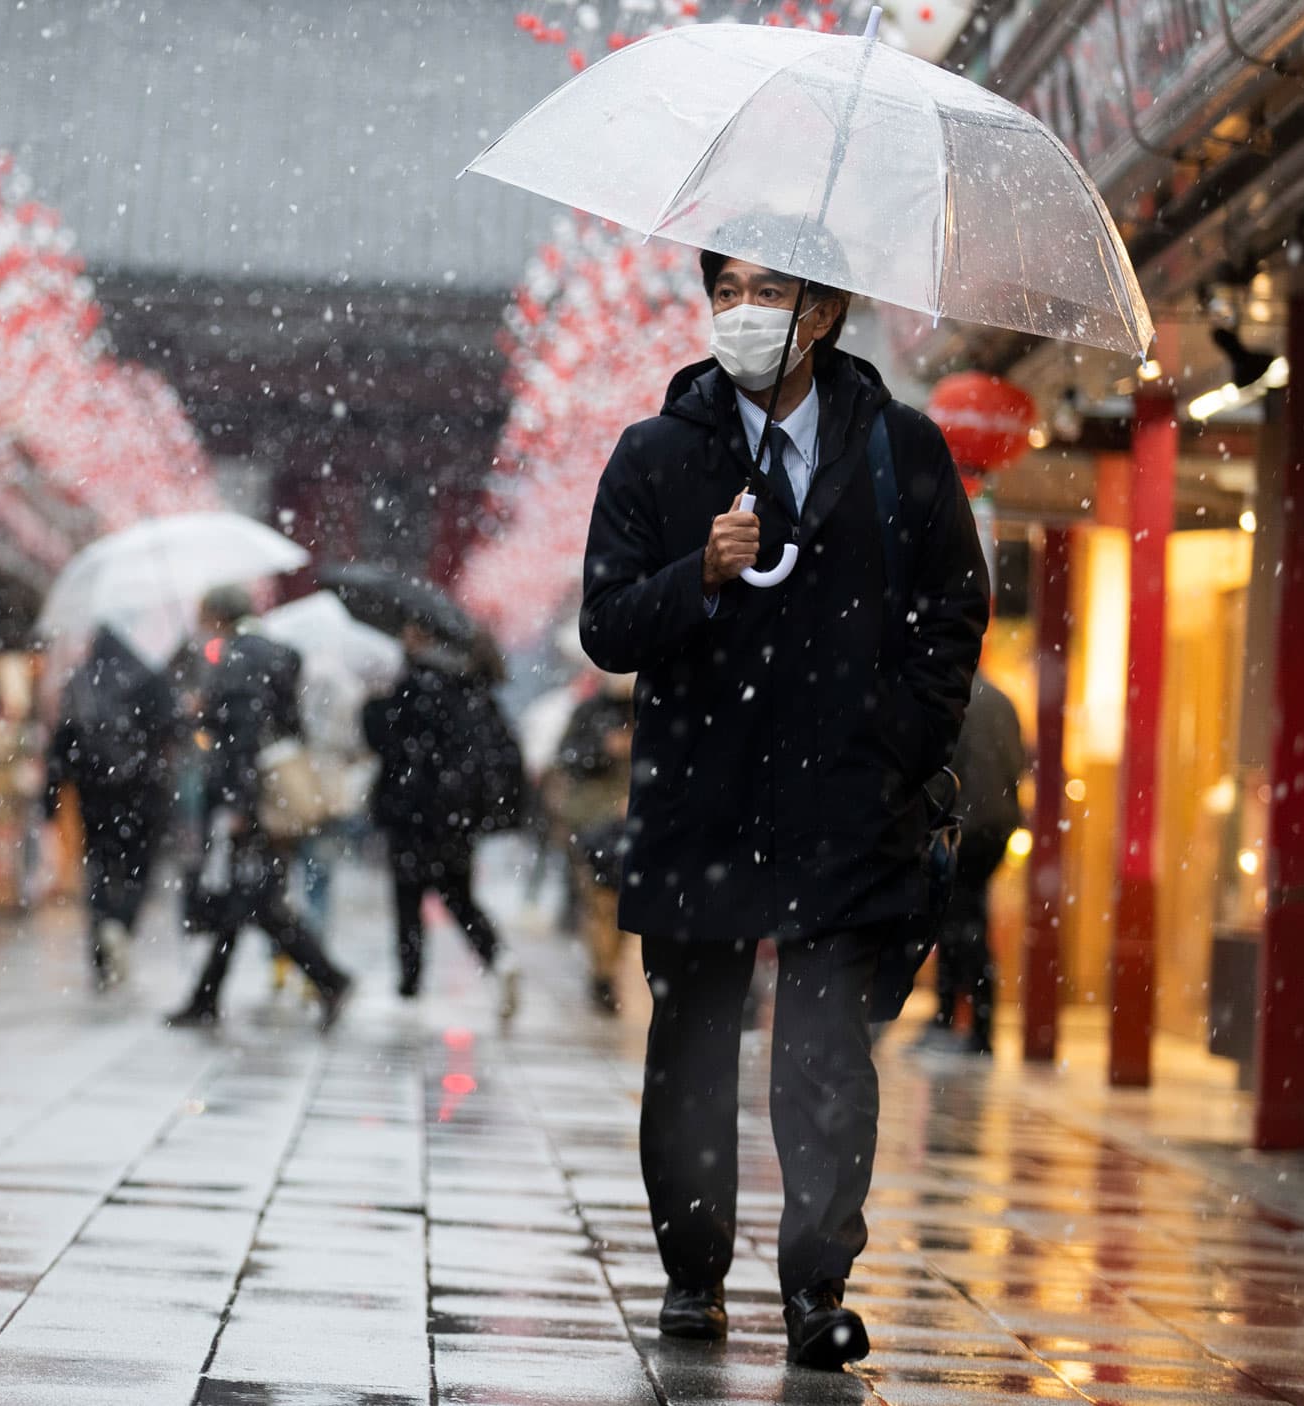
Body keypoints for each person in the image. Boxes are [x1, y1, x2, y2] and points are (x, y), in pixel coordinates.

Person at [579, 235, 987, 1370]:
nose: (742, 311)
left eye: (766, 290)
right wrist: (695, 574)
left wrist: (895, 737)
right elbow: (605, 624)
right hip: (698, 797)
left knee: (822, 1057)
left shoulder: (902, 453)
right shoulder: (659, 454)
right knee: (693, 1050)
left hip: (846, 809)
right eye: (725, 291)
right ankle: (691, 1271)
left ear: (824, 309)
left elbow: (954, 611)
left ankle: (815, 1284)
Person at [165, 587, 354, 1031]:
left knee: (254, 899)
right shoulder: (276, 656)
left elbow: (242, 734)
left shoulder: (238, 660)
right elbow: (279, 721)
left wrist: (237, 802)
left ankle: (330, 978)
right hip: (274, 797)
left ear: (218, 616)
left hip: (251, 801)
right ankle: (208, 997)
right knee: (251, 896)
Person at [362, 624, 522, 1016]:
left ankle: (410, 985)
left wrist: (373, 703)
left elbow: (383, 740)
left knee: (408, 897)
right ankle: (498, 957)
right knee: (458, 897)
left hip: (411, 809)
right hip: (455, 814)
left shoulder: (411, 684)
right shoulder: (470, 686)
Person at [43, 626, 177, 990]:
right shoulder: (151, 676)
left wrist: (51, 798)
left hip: (95, 793)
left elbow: (61, 743)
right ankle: (122, 922)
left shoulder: (82, 681)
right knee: (138, 867)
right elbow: (172, 729)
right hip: (145, 792)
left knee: (100, 865)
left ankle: (101, 952)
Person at [927, 676, 1026, 1054]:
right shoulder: (1002, 701)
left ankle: (959, 1021)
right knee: (969, 919)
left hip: (964, 824)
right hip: (996, 828)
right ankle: (968, 1020)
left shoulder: (955, 698)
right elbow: (1017, 764)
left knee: (956, 920)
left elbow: (946, 767)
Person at [551, 674, 635, 1015]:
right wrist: (603, 750)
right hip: (594, 824)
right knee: (600, 902)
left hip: (638, 822)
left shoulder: (653, 707)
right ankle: (603, 973)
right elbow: (569, 756)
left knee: (625, 905)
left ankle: (611, 969)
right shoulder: (590, 712)